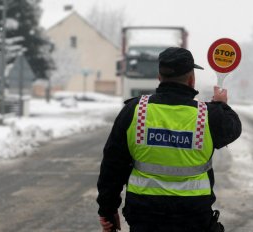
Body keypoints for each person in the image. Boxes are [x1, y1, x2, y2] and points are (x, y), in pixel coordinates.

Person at [97, 47, 242, 232]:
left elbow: (112, 165)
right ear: (191, 79)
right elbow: (233, 129)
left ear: (159, 77)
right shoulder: (208, 115)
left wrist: (107, 210)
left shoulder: (134, 111)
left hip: (144, 217)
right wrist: (221, 105)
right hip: (194, 218)